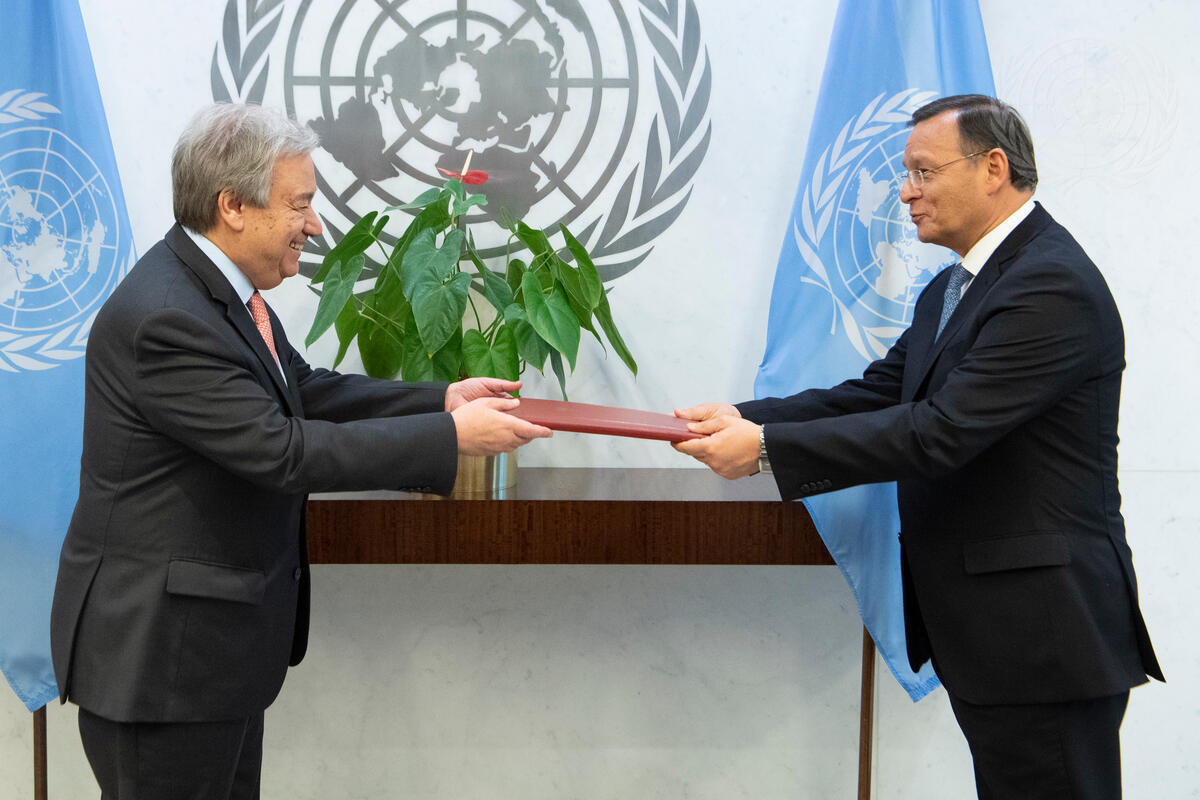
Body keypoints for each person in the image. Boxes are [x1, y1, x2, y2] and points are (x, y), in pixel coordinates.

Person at [49, 102, 552, 799]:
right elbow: (280, 450)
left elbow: (302, 390)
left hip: (207, 660)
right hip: (161, 665)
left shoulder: (216, 293)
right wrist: (451, 440)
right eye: (300, 204)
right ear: (233, 206)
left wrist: (441, 400)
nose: (314, 225)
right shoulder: (167, 316)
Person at [674, 95, 1162, 799]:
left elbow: (941, 431)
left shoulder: (1050, 285)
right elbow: (879, 393)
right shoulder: (955, 285)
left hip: (1043, 635)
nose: (906, 192)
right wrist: (743, 416)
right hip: (996, 634)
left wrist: (769, 447)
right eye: (907, 174)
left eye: (923, 172)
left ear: (993, 168)